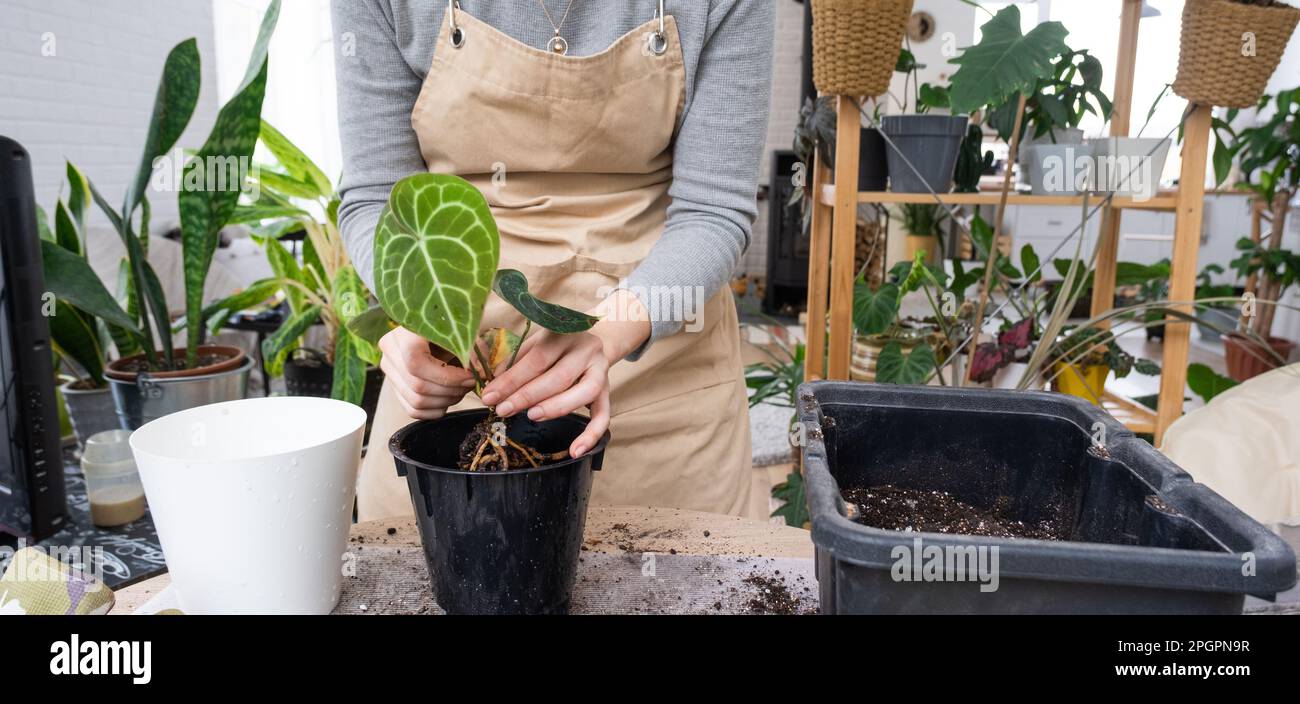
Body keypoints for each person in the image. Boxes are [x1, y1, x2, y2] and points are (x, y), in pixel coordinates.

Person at [332, 0, 773, 519]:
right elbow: (377, 198)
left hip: (658, 375)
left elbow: (713, 209)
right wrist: (414, 315)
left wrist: (608, 336)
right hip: (460, 383)